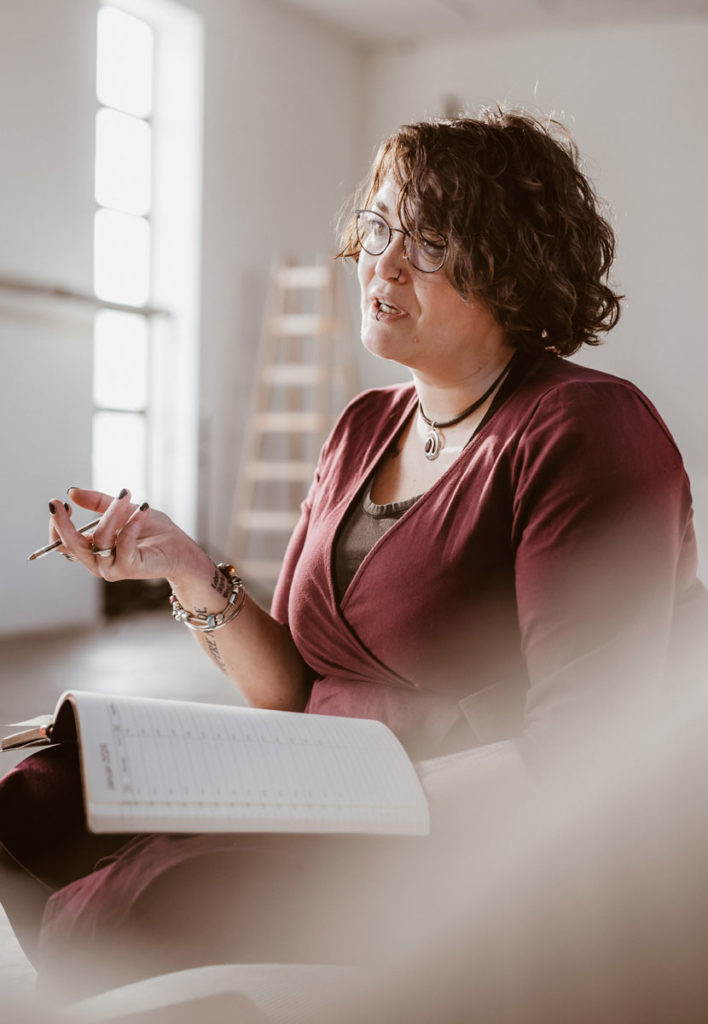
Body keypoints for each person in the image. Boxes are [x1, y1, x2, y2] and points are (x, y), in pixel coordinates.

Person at [1, 108, 706, 1002]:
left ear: (511, 265)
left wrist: (325, 804)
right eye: (378, 225)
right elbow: (295, 689)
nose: (384, 261)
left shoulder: (586, 426)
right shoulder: (363, 425)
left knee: (133, 903)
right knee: (35, 800)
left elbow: (582, 748)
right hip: (319, 781)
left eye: (431, 239)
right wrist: (180, 560)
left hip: (455, 832)